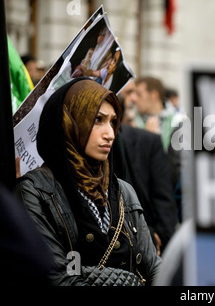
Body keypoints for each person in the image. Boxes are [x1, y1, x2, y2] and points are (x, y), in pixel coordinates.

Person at [14, 78, 161, 286]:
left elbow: (154, 266)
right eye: (97, 120)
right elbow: (58, 277)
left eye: (112, 122)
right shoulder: (35, 192)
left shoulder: (123, 192)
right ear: (69, 123)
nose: (109, 134)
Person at [112, 79, 179, 255]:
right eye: (128, 93)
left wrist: (160, 240)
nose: (133, 99)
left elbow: (163, 197)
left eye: (136, 93)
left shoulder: (147, 140)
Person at [134, 76, 183, 152]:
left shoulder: (177, 120)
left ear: (154, 95)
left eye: (139, 94)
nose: (135, 99)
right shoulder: (132, 121)